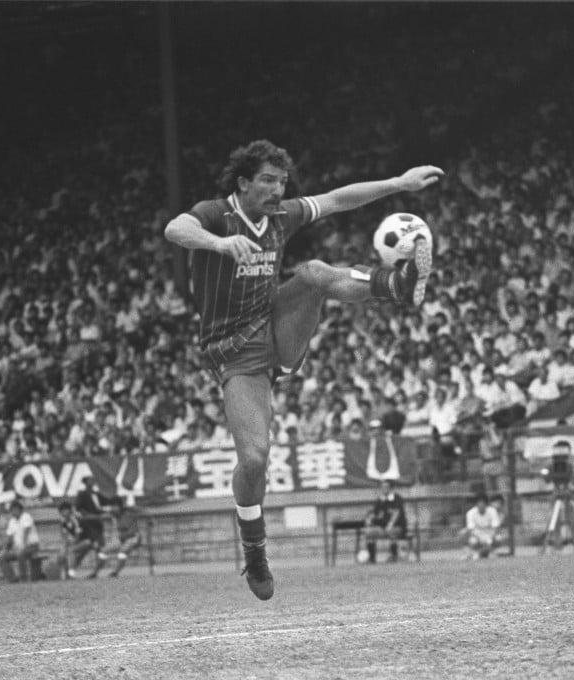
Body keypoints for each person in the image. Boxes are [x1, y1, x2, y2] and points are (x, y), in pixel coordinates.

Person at [163, 139, 442, 599]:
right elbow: (176, 228)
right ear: (244, 183)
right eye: (268, 181)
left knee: (313, 271)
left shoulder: (281, 216)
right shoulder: (216, 214)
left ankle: (398, 282)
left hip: (277, 325)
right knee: (253, 459)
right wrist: (218, 243)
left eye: (282, 182)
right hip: (234, 354)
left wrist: (399, 183)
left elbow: (337, 199)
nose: (277, 190)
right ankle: (254, 550)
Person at [91, 498, 142, 578]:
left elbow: (133, 531)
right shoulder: (114, 514)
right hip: (122, 538)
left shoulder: (128, 514)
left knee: (122, 551)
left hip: (133, 538)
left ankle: (115, 573)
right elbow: (101, 510)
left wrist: (121, 537)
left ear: (120, 506)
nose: (113, 508)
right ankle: (94, 573)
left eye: (115, 506)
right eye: (112, 506)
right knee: (103, 550)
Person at [363, 480, 408, 563]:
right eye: (382, 487)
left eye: (386, 487)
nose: (384, 489)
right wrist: (369, 520)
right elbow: (374, 513)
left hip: (397, 527)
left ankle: (394, 557)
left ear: (391, 488)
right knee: (369, 532)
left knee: (392, 531)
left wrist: (390, 524)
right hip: (383, 528)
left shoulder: (397, 498)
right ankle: (372, 559)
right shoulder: (380, 500)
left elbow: (396, 513)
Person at [74, 476, 114, 565]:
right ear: (85, 483)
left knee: (100, 544)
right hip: (88, 523)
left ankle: (99, 565)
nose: (92, 482)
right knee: (89, 546)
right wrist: (88, 515)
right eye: (90, 481)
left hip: (98, 522)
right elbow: (78, 508)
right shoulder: (82, 494)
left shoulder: (96, 494)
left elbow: (106, 503)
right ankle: (74, 564)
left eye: (93, 480)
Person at [1, 500, 41, 583]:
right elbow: (9, 537)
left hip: (32, 546)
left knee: (20, 554)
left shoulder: (26, 516)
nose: (14, 512)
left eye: (15, 509)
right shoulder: (12, 521)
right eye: (12, 510)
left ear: (20, 509)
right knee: (3, 557)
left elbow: (27, 531)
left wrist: (23, 545)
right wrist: (5, 549)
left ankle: (23, 578)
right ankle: (12, 579)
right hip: (18, 548)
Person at [56, 500, 90, 579]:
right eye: (62, 511)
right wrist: (65, 544)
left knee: (71, 551)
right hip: (75, 542)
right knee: (62, 555)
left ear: (70, 510)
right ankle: (67, 575)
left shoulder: (76, 518)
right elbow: (64, 535)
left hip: (86, 540)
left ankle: (71, 574)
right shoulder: (63, 521)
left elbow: (79, 534)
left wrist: (71, 543)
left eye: (66, 510)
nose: (64, 512)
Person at [462, 494, 501, 559]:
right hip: (477, 536)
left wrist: (489, 538)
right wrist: (481, 538)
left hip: (490, 535)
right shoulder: (470, 512)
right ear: (476, 504)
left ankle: (487, 552)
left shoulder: (492, 511)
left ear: (486, 504)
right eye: (479, 503)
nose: (481, 505)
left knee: (498, 538)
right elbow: (471, 529)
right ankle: (476, 552)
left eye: (483, 503)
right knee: (471, 540)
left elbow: (496, 527)